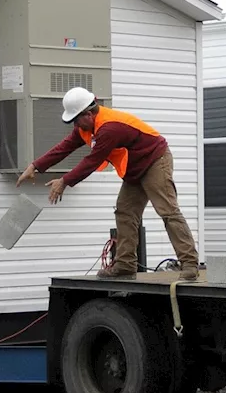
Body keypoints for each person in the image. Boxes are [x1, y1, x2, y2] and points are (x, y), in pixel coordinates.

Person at [16, 87, 200, 281]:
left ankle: (189, 263)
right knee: (125, 211)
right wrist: (35, 166)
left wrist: (64, 181)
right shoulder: (85, 127)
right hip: (135, 166)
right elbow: (64, 147)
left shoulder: (109, 128)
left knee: (167, 210)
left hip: (155, 160)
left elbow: (92, 161)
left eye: (76, 119)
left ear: (88, 113)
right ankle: (125, 265)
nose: (75, 124)